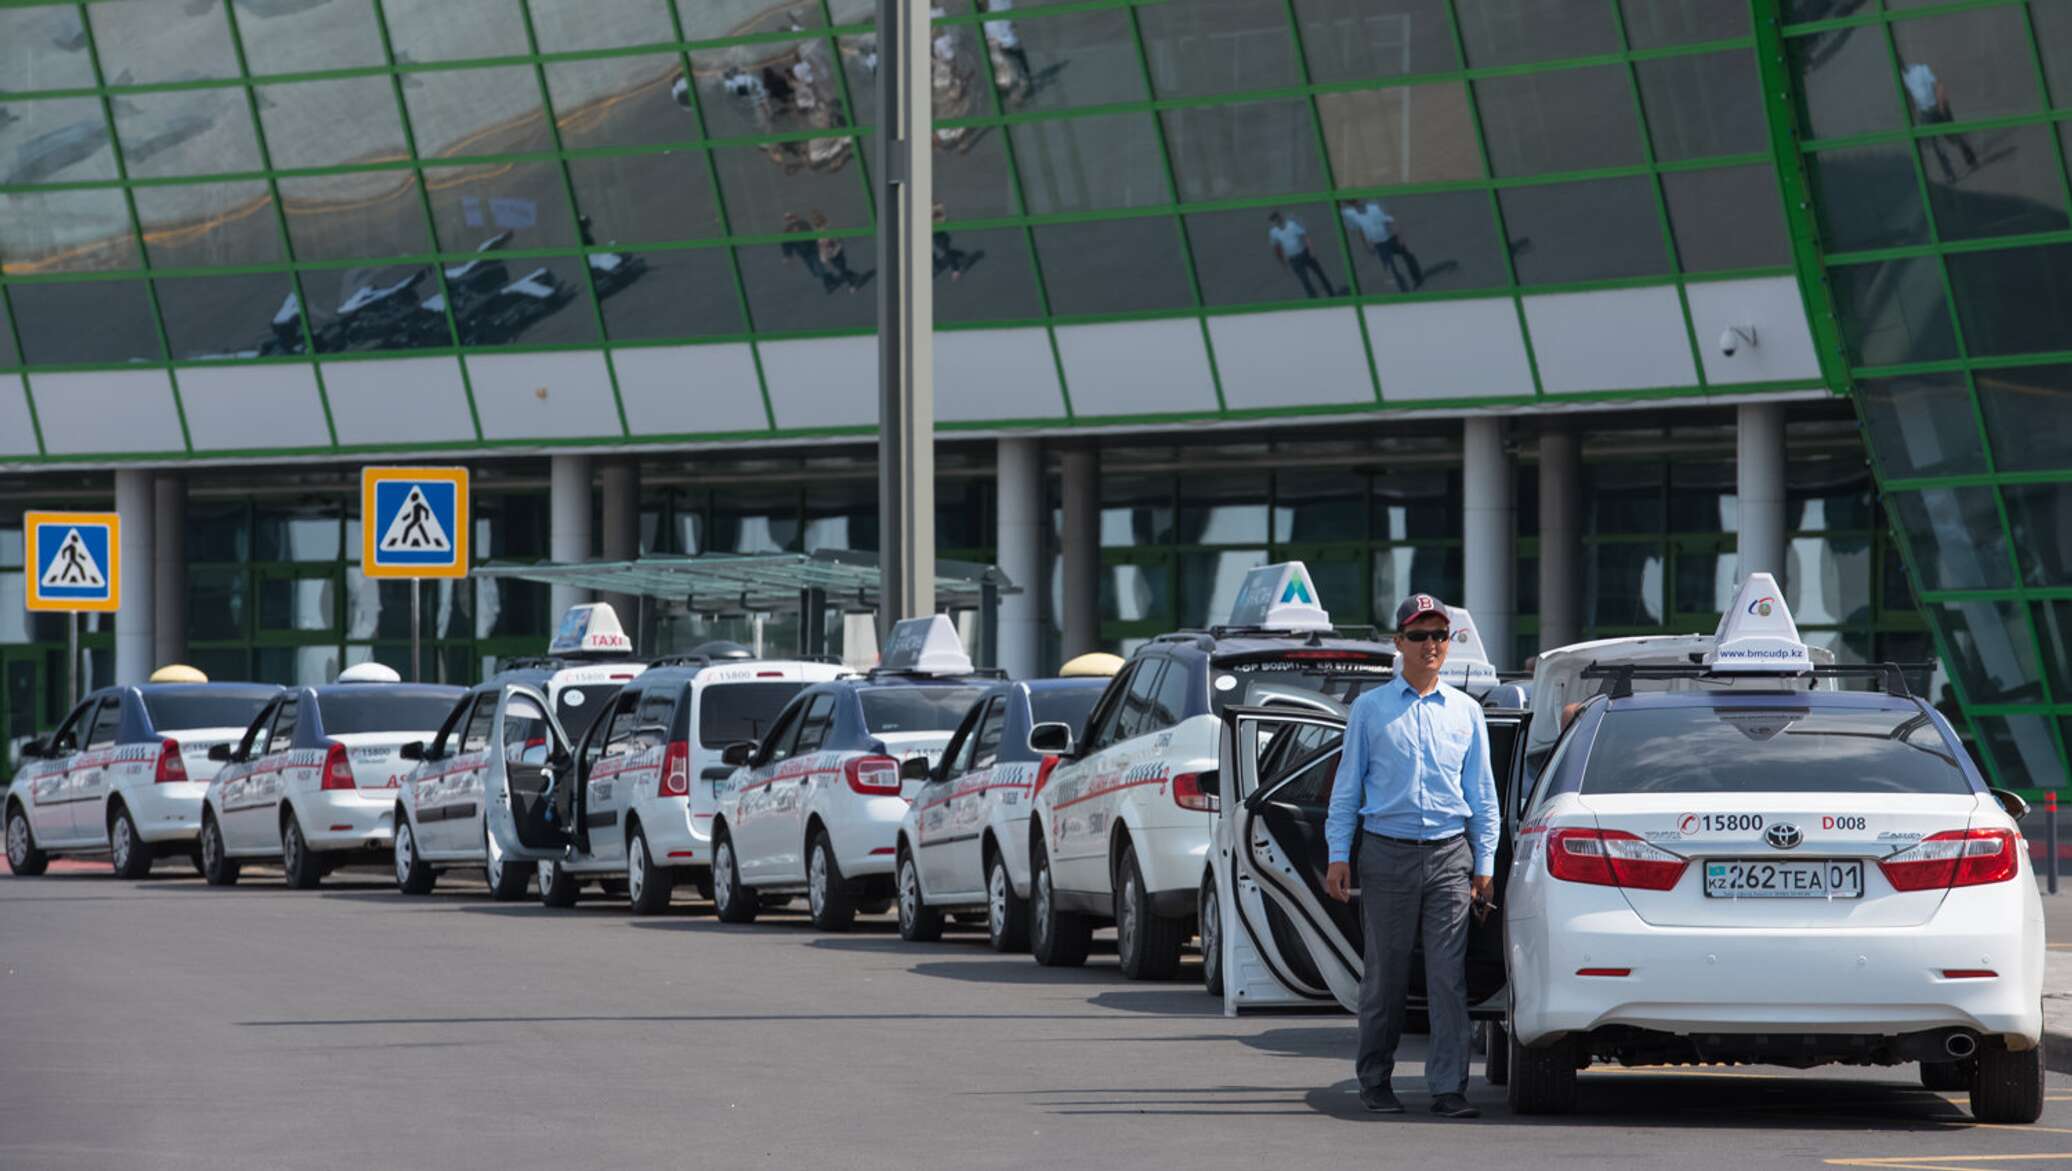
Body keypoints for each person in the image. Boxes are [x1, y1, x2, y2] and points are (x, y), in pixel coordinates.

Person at [1324, 593, 1498, 1120]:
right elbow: (1347, 788)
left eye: (1439, 636)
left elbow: (1482, 795)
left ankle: (1448, 1088)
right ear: (1397, 644)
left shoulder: (1467, 712)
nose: (1431, 646)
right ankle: (1374, 1080)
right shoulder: (1370, 710)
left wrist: (1484, 863)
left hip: (1449, 856)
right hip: (1385, 853)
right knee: (1385, 976)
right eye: (1419, 636)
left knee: (1449, 978)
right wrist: (1338, 853)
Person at [1899, 57, 1977, 181]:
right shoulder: (1901, 79)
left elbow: (1938, 85)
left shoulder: (1920, 69)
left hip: (1938, 106)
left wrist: (1941, 105)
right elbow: (1909, 98)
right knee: (1937, 145)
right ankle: (1949, 173)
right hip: (1925, 114)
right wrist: (1915, 117)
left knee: (1952, 136)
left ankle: (1967, 152)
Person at [1341, 198, 1423, 293]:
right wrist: (1366, 245)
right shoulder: (1351, 214)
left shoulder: (1374, 206)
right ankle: (1403, 289)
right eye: (1350, 203)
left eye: (1353, 201)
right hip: (1379, 244)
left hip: (1392, 237)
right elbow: (1360, 229)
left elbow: (1391, 220)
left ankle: (1417, 278)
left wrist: (1400, 236)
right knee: (1390, 268)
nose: (1355, 205)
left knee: (1408, 256)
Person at [1266, 211, 1338, 299]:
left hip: (1305, 253)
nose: (1276, 222)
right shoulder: (1273, 232)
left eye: (1277, 219)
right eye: (1274, 221)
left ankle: (1332, 294)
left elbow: (1304, 236)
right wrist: (1282, 262)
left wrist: (1311, 249)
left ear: (1280, 217)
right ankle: (1314, 299)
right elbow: (1277, 248)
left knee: (1319, 273)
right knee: (1305, 280)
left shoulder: (1291, 225)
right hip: (1293, 259)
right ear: (1272, 223)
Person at [932, 203, 971, 280]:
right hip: (934, 235)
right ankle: (937, 265)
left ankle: (955, 269)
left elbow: (943, 219)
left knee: (946, 252)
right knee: (943, 251)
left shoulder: (937, 208)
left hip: (940, 235)